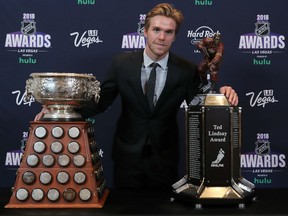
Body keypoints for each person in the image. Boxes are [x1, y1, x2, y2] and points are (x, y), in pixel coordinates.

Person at [34, 3, 238, 191]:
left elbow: (200, 103)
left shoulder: (186, 69)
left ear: (175, 36)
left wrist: (221, 92)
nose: (162, 37)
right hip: (127, 158)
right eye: (156, 30)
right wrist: (60, 110)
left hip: (165, 159)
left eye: (169, 32)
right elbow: (100, 103)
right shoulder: (121, 64)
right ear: (145, 31)